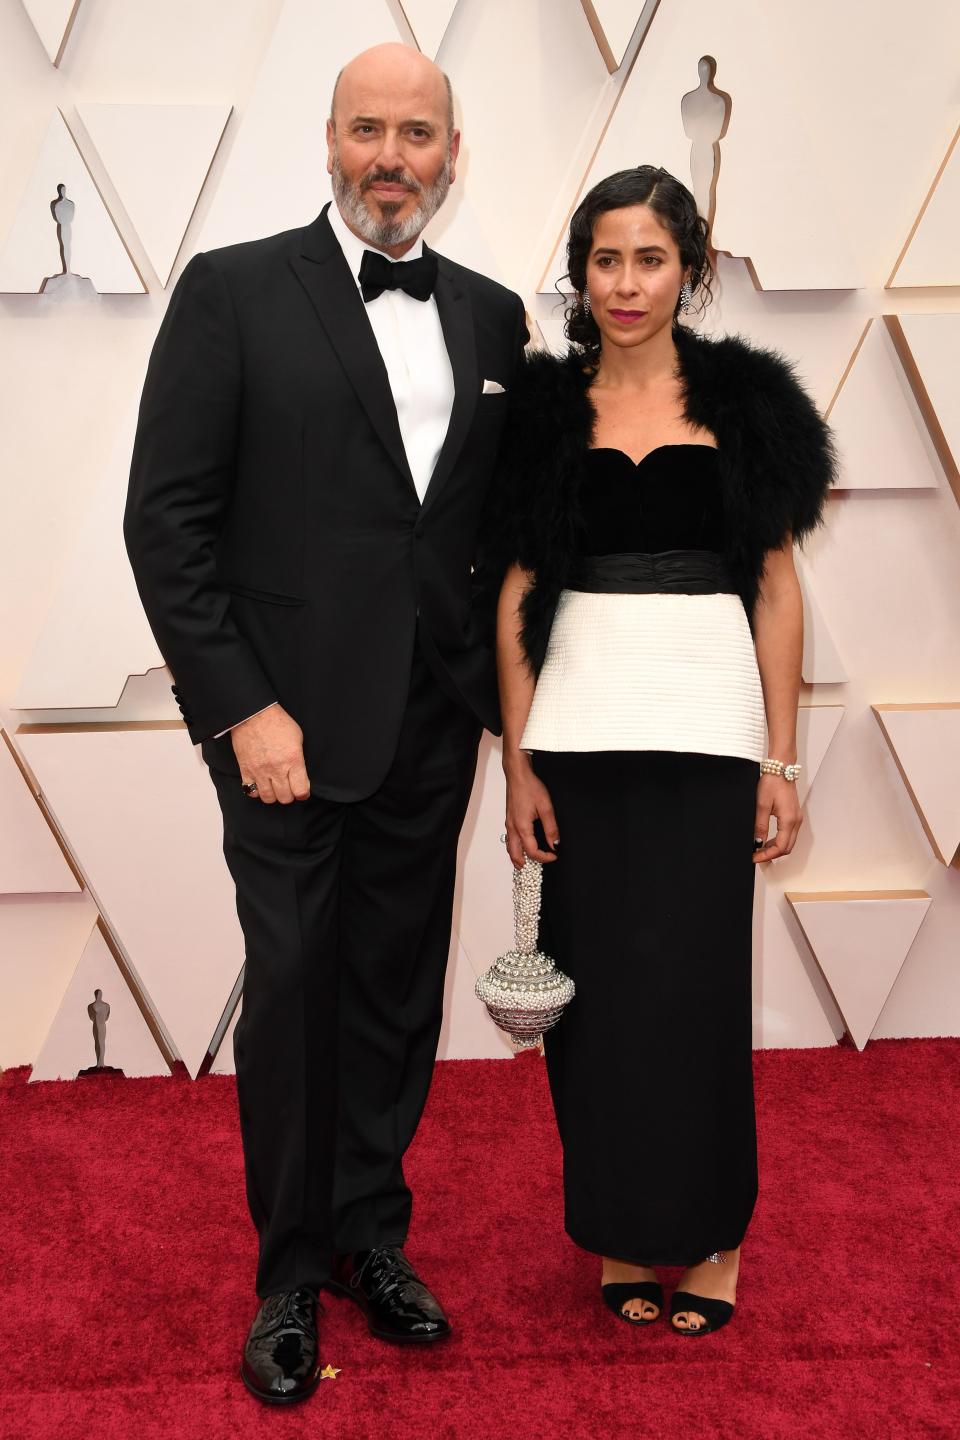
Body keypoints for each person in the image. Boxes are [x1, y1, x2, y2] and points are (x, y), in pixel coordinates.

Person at [124, 43, 527, 1405]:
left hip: (430, 727)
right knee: (296, 1001)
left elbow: (480, 534)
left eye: (418, 132)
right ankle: (289, 1273)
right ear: (331, 140)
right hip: (284, 734)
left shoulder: (493, 317)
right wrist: (243, 708)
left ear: (453, 155)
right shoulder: (235, 292)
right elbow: (166, 524)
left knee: (395, 995)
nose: (392, 156)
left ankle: (368, 1234)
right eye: (369, 129)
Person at [493, 166, 834, 1337]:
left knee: (691, 994)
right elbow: (521, 591)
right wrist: (519, 759)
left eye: (649, 258)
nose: (626, 283)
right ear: (579, 274)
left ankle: (713, 1230)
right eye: (605, 259)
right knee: (598, 1003)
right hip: (579, 739)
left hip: (705, 738)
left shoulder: (747, 406)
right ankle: (626, 1231)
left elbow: (778, 591)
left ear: (691, 266)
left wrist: (781, 762)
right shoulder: (542, 412)